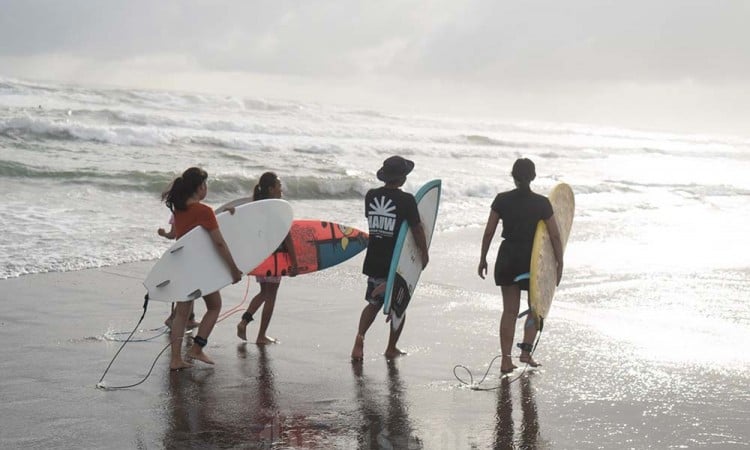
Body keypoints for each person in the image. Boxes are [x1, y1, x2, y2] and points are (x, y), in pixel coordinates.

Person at [477, 158, 564, 373]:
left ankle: (506, 360)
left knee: (509, 311)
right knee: (537, 308)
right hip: (533, 259)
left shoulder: (501, 200)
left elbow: (489, 231)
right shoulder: (542, 203)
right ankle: (525, 352)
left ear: (513, 176)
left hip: (508, 256)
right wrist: (559, 261)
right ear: (533, 177)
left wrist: (483, 257)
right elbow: (554, 234)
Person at [161, 167, 243, 370]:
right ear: (199, 188)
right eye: (205, 184)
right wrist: (233, 269)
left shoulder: (179, 209)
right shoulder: (203, 211)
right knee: (214, 306)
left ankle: (175, 359)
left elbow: (193, 227)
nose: (206, 188)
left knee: (181, 314)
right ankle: (197, 349)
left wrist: (223, 213)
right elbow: (220, 243)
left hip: (183, 266)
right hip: (200, 269)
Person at [351, 156, 429, 361]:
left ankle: (360, 338)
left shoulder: (371, 196)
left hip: (374, 258)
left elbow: (373, 221)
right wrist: (423, 252)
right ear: (402, 178)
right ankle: (391, 348)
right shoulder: (407, 200)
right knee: (400, 307)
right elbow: (417, 229)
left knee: (373, 304)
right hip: (396, 263)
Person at [231, 172, 298, 344]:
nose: (281, 189)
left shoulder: (257, 207)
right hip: (274, 258)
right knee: (271, 296)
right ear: (271, 189)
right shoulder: (277, 209)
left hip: (260, 257)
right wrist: (295, 262)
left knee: (263, 292)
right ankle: (261, 335)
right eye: (278, 185)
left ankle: (244, 322)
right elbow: (287, 237)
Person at [158, 215, 200, 331]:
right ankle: (172, 318)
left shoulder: (176, 213)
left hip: (181, 254)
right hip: (192, 253)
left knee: (190, 286)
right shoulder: (199, 211)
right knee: (191, 288)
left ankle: (190, 318)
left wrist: (164, 234)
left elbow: (172, 234)